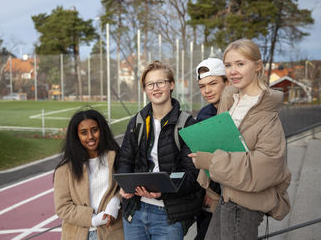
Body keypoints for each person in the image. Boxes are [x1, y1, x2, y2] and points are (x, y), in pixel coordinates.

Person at [189, 39, 291, 240]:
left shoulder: (267, 111)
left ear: (258, 66)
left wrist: (210, 161)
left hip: (246, 204)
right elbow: (222, 145)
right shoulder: (231, 99)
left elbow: (266, 166)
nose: (233, 71)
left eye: (240, 64)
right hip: (226, 197)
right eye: (228, 65)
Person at [118, 60, 203, 240]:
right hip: (136, 211)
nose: (155, 88)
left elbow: (192, 174)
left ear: (171, 85)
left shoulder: (187, 124)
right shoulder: (137, 122)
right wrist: (124, 186)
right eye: (150, 84)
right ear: (145, 89)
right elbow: (125, 160)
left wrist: (162, 191)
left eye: (161, 82)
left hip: (169, 215)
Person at [54, 109, 124, 240]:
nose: (90, 136)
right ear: (76, 136)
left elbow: (126, 186)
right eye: (84, 133)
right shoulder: (64, 169)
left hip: (113, 232)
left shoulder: (116, 158)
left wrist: (116, 201)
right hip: (78, 235)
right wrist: (93, 220)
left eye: (94, 130)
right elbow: (62, 207)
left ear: (102, 130)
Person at [194, 58, 228, 240]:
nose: (207, 90)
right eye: (202, 86)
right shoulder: (204, 114)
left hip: (234, 196)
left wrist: (215, 192)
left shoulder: (239, 111)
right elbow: (205, 155)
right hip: (209, 194)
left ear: (227, 81)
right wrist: (208, 190)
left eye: (213, 83)